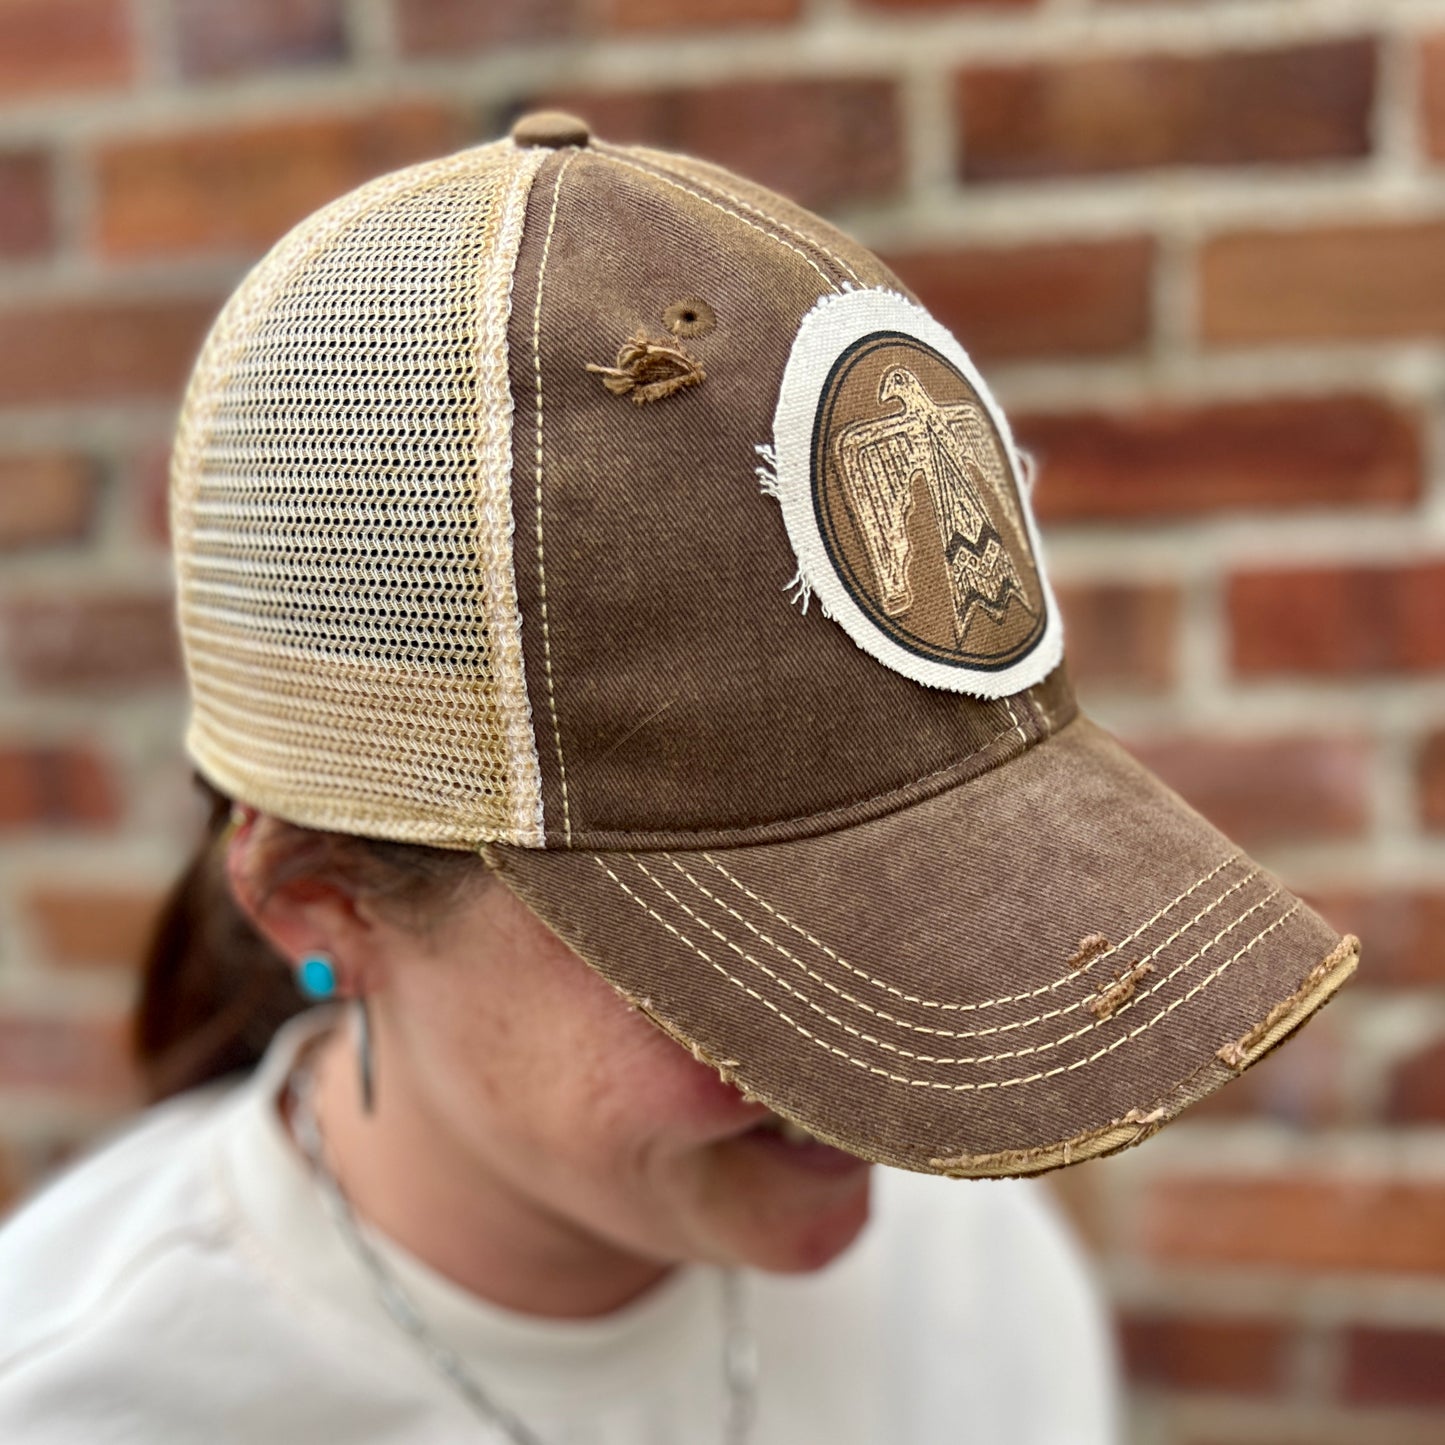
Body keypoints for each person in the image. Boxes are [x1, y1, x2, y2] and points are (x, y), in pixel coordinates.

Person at [0, 110, 1358, 1443]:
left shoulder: (975, 1274)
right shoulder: (90, 1401)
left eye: (951, 894)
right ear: (320, 904)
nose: (878, 1095)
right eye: (766, 954)